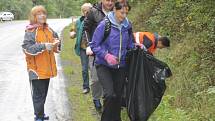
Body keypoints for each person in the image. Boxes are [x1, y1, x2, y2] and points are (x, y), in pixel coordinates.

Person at [90, 2, 134, 121]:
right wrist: (106, 55)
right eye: (121, 12)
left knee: (118, 96)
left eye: (126, 13)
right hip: (104, 65)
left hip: (121, 66)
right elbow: (94, 45)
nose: (124, 15)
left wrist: (137, 46)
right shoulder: (104, 24)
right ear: (115, 9)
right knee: (110, 95)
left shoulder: (128, 25)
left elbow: (130, 44)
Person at [22, 5, 60, 121]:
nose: (42, 15)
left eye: (43, 13)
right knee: (38, 96)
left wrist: (57, 44)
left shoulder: (49, 29)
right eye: (39, 14)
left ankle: (40, 114)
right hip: (36, 70)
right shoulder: (31, 31)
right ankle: (38, 117)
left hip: (47, 68)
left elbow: (56, 42)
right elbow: (26, 48)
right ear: (34, 17)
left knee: (43, 95)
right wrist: (43, 46)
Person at [84, 0, 115, 112]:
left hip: (112, 52)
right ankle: (96, 99)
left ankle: (108, 102)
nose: (110, 3)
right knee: (96, 78)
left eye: (112, 0)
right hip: (96, 50)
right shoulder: (93, 12)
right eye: (107, 0)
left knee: (111, 78)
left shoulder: (117, 10)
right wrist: (89, 45)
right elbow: (86, 29)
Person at [70, 3, 92, 94]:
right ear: (82, 12)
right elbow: (73, 32)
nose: (87, 12)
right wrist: (72, 34)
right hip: (83, 48)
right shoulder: (78, 21)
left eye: (89, 10)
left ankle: (97, 87)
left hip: (93, 48)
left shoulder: (94, 20)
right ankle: (86, 87)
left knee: (94, 68)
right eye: (85, 11)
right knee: (84, 69)